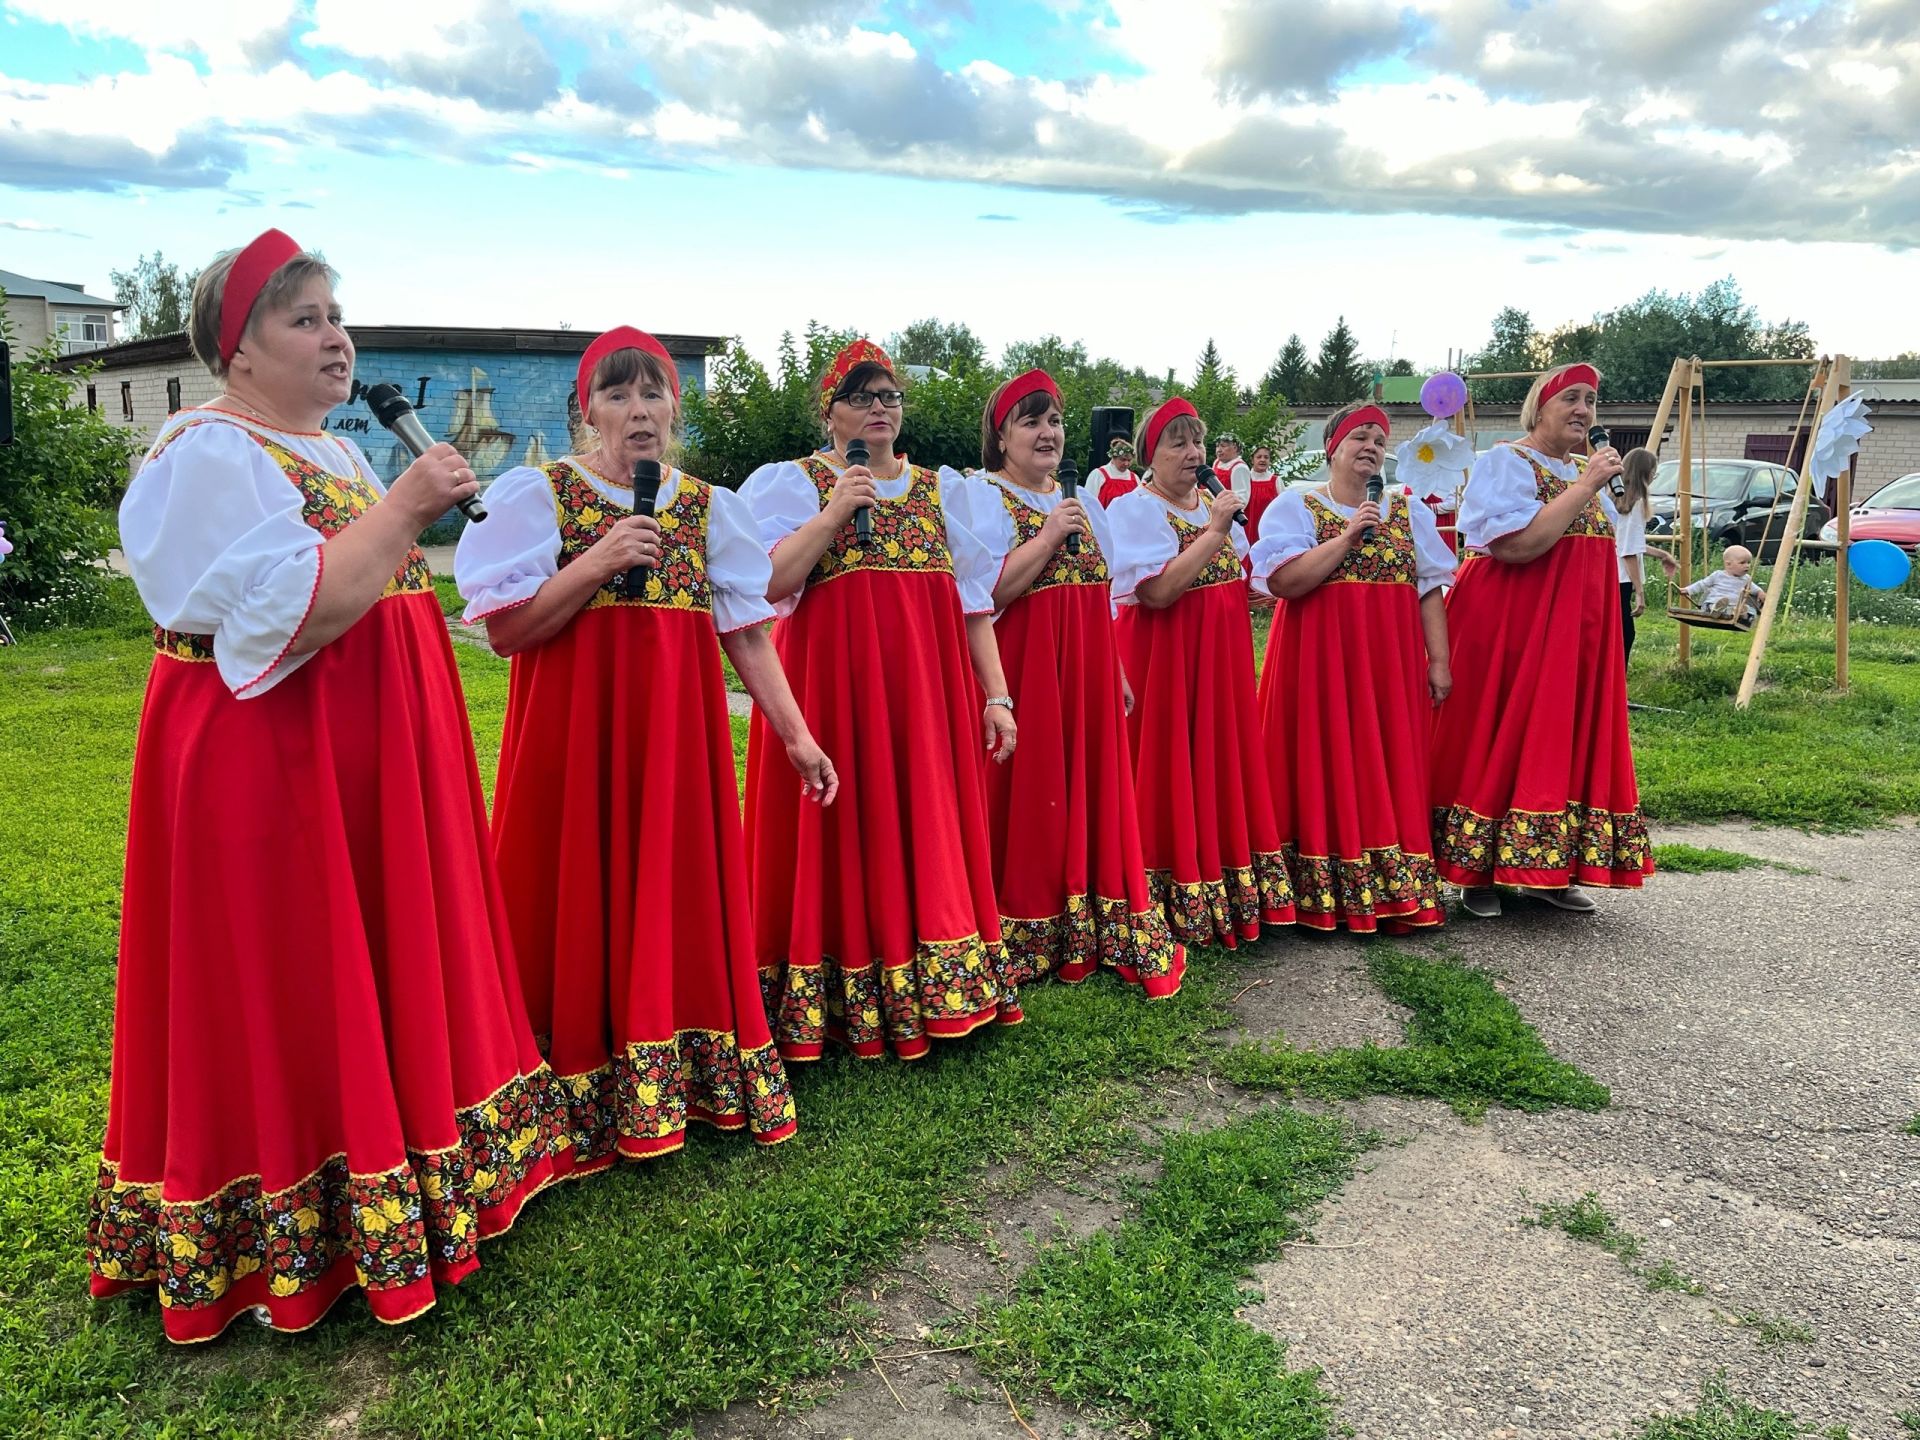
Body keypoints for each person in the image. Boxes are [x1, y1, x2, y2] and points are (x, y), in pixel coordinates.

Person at [88, 230, 570, 1343]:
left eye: (335, 314)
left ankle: (409, 1170)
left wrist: (392, 504)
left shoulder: (336, 454)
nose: (336, 336)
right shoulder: (203, 452)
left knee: (383, 946)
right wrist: (403, 514)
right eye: (302, 319)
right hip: (277, 765)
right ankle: (301, 1215)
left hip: (366, 754)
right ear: (237, 350)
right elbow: (273, 617)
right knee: (294, 967)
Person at [455, 326, 831, 1166]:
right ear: (586, 410)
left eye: (653, 393)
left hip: (677, 751)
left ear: (676, 407)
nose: (639, 412)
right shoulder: (541, 496)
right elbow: (511, 634)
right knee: (570, 889)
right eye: (618, 395)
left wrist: (798, 736)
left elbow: (748, 634)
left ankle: (676, 1074)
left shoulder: (706, 509)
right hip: (573, 748)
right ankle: (570, 1082)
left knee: (676, 889)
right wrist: (595, 564)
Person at [739, 339, 1021, 1061]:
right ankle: (835, 996)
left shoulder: (942, 491)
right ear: (829, 412)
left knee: (924, 818)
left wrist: (997, 695)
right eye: (862, 397)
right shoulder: (794, 484)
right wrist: (833, 515)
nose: (878, 409)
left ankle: (938, 983)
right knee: (841, 833)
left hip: (925, 700)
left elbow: (973, 606)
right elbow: (765, 589)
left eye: (889, 396)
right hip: (833, 696)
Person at [944, 371, 1184, 996]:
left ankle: (1088, 913)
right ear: (1000, 438)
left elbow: (1100, 594)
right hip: (1023, 670)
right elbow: (984, 593)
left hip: (1086, 670)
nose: (1047, 433)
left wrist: (1117, 668)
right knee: (1031, 790)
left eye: (1053, 421)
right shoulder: (981, 498)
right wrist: (1049, 535)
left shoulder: (1086, 503)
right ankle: (1023, 919)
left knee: (1090, 784)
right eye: (1031, 422)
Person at [1430, 363, 1654, 917]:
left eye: (1591, 401)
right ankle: (1474, 873)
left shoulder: (1585, 474)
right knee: (1495, 731)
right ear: (1540, 407)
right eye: (1570, 399)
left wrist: (1585, 484)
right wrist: (1582, 487)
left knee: (1559, 736)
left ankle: (1546, 869)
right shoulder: (1508, 461)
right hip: (1511, 628)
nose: (1583, 409)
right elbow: (1516, 546)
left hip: (1573, 637)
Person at [1253, 404, 1455, 933]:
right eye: (1358, 437)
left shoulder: (1407, 510)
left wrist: (1440, 662)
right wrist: (1346, 537)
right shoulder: (1296, 505)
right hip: (1319, 664)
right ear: (1331, 448)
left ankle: (1390, 890)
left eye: (1379, 440)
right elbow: (1285, 583)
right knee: (1325, 759)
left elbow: (1429, 588)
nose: (1371, 446)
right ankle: (1316, 893)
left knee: (1387, 762)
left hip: (1389, 664)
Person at [1108, 398, 1296, 946]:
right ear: (1151, 454)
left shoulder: (1211, 507)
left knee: (1219, 757)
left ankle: (1222, 879)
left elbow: (1233, 578)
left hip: (1222, 660)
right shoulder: (1134, 509)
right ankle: (1168, 887)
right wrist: (1214, 532)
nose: (1193, 454)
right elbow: (1159, 592)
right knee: (1169, 761)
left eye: (1197, 443)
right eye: (1178, 443)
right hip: (1165, 662)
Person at [1678, 545, 1762, 621]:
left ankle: (1742, 613)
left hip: (1732, 607)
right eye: (1742, 563)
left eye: (1748, 562)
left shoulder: (1746, 579)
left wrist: (1760, 592)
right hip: (1713, 602)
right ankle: (1717, 610)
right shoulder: (1718, 575)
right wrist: (1688, 590)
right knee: (1713, 605)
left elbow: (1755, 589)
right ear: (1728, 564)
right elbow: (1702, 584)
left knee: (1749, 609)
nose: (1747, 565)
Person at [1245, 442, 1282, 544]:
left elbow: (1283, 506)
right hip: (1246, 527)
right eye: (1259, 457)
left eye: (1266, 457)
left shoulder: (1276, 480)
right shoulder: (1244, 478)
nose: (1262, 460)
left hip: (1268, 528)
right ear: (1252, 460)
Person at [1092, 436, 1139, 507]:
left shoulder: (1135, 478)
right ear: (1113, 457)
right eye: (1123, 459)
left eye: (1129, 460)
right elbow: (1089, 501)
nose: (1126, 463)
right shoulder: (1099, 474)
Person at [1211, 433, 1253, 507]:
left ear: (1235, 448)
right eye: (1217, 446)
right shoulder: (1217, 462)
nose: (1219, 450)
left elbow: (1241, 499)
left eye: (1223, 446)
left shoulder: (1240, 468)